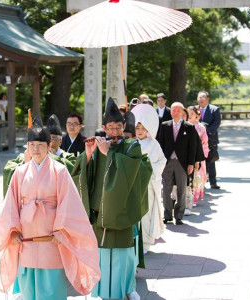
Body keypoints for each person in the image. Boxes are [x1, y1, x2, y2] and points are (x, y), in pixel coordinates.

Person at [0, 118, 100, 299]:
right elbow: (11, 205)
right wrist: (13, 230)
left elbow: (69, 204)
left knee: (52, 287)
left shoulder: (60, 170)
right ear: (27, 146)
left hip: (51, 239)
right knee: (28, 288)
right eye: (32, 145)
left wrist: (61, 230)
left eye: (40, 144)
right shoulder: (20, 172)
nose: (35, 149)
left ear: (49, 146)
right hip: (26, 239)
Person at [72, 97, 152, 300]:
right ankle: (99, 292)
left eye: (118, 127)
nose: (115, 132)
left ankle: (127, 288)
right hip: (100, 213)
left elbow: (136, 171)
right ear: (103, 128)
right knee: (102, 255)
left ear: (124, 126)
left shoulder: (130, 146)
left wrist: (110, 155)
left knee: (123, 256)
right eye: (110, 127)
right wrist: (89, 155)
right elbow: (80, 173)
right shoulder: (98, 147)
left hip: (122, 212)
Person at [3, 115, 76, 197]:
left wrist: (54, 158)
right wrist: (24, 162)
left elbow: (76, 173)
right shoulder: (25, 156)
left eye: (53, 138)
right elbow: (8, 171)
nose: (50, 140)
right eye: (33, 144)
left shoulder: (67, 157)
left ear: (60, 141)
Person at [132, 104, 166, 254]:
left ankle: (145, 243)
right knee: (133, 214)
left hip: (148, 185)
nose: (139, 132)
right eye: (137, 128)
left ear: (148, 129)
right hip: (133, 184)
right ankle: (134, 240)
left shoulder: (154, 144)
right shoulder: (131, 143)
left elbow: (162, 161)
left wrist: (147, 166)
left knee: (146, 215)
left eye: (142, 128)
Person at [159, 102, 197, 225]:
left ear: (182, 113)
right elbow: (160, 144)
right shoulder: (165, 125)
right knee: (166, 189)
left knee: (182, 189)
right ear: (170, 112)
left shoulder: (189, 127)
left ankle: (179, 215)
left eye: (178, 111)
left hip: (182, 162)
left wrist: (191, 163)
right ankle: (167, 215)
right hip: (167, 161)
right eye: (173, 110)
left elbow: (192, 147)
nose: (175, 113)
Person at [197, 91, 221, 189]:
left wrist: (205, 132)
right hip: (197, 139)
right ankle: (199, 182)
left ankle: (213, 182)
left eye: (203, 97)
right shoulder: (194, 109)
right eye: (199, 97)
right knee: (198, 161)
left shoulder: (214, 109)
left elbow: (217, 122)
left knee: (211, 160)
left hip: (210, 138)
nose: (201, 99)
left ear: (207, 99)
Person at [188, 106, 209, 205]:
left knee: (197, 177)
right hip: (187, 155)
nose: (190, 116)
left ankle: (195, 198)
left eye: (192, 114)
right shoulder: (185, 125)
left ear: (197, 116)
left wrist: (201, 157)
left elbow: (205, 143)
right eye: (188, 113)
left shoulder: (200, 127)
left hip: (198, 155)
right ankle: (187, 196)